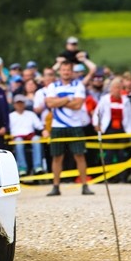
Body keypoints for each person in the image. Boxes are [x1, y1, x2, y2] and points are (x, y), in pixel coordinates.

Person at [45, 61, 94, 196]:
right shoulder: (52, 86)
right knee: (57, 157)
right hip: (57, 125)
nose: (66, 72)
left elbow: (78, 105)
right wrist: (67, 98)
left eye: (68, 70)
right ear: (59, 71)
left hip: (75, 125)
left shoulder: (78, 85)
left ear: (71, 72)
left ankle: (85, 185)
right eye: (64, 70)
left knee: (80, 155)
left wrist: (58, 101)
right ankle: (56, 186)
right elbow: (49, 103)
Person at [93, 78, 131, 169]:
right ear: (111, 88)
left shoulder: (126, 100)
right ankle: (109, 175)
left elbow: (130, 116)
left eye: (119, 87)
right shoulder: (105, 99)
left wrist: (130, 129)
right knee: (109, 152)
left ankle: (122, 176)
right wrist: (97, 124)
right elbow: (97, 112)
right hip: (109, 128)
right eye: (115, 87)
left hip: (122, 129)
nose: (117, 90)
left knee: (121, 152)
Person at [9, 94, 46, 176]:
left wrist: (43, 130)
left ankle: (38, 166)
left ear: (24, 104)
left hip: (30, 136)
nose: (19, 105)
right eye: (18, 103)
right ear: (14, 104)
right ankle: (22, 168)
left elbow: (39, 125)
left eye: (21, 103)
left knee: (37, 139)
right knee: (18, 142)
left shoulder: (31, 114)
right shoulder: (10, 116)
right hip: (17, 137)